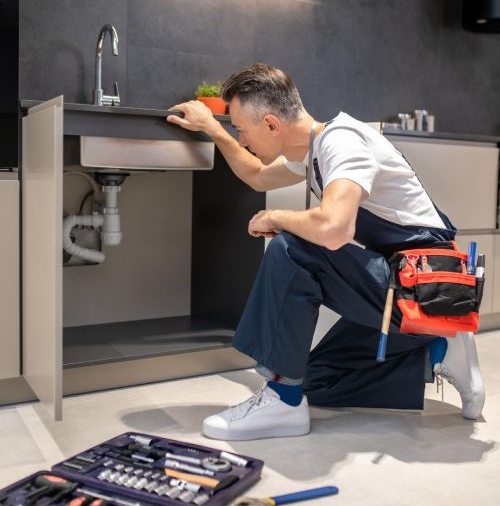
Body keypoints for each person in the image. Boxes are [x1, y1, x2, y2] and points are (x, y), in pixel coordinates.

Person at [166, 63, 485, 441]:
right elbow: (256, 174)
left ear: (271, 124)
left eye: (242, 130)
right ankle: (437, 349)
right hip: (401, 282)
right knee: (317, 380)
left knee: (293, 248)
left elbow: (335, 229)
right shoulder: (313, 152)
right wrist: (214, 129)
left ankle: (281, 401)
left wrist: (277, 217)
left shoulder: (343, 142)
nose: (244, 139)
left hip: (427, 283)